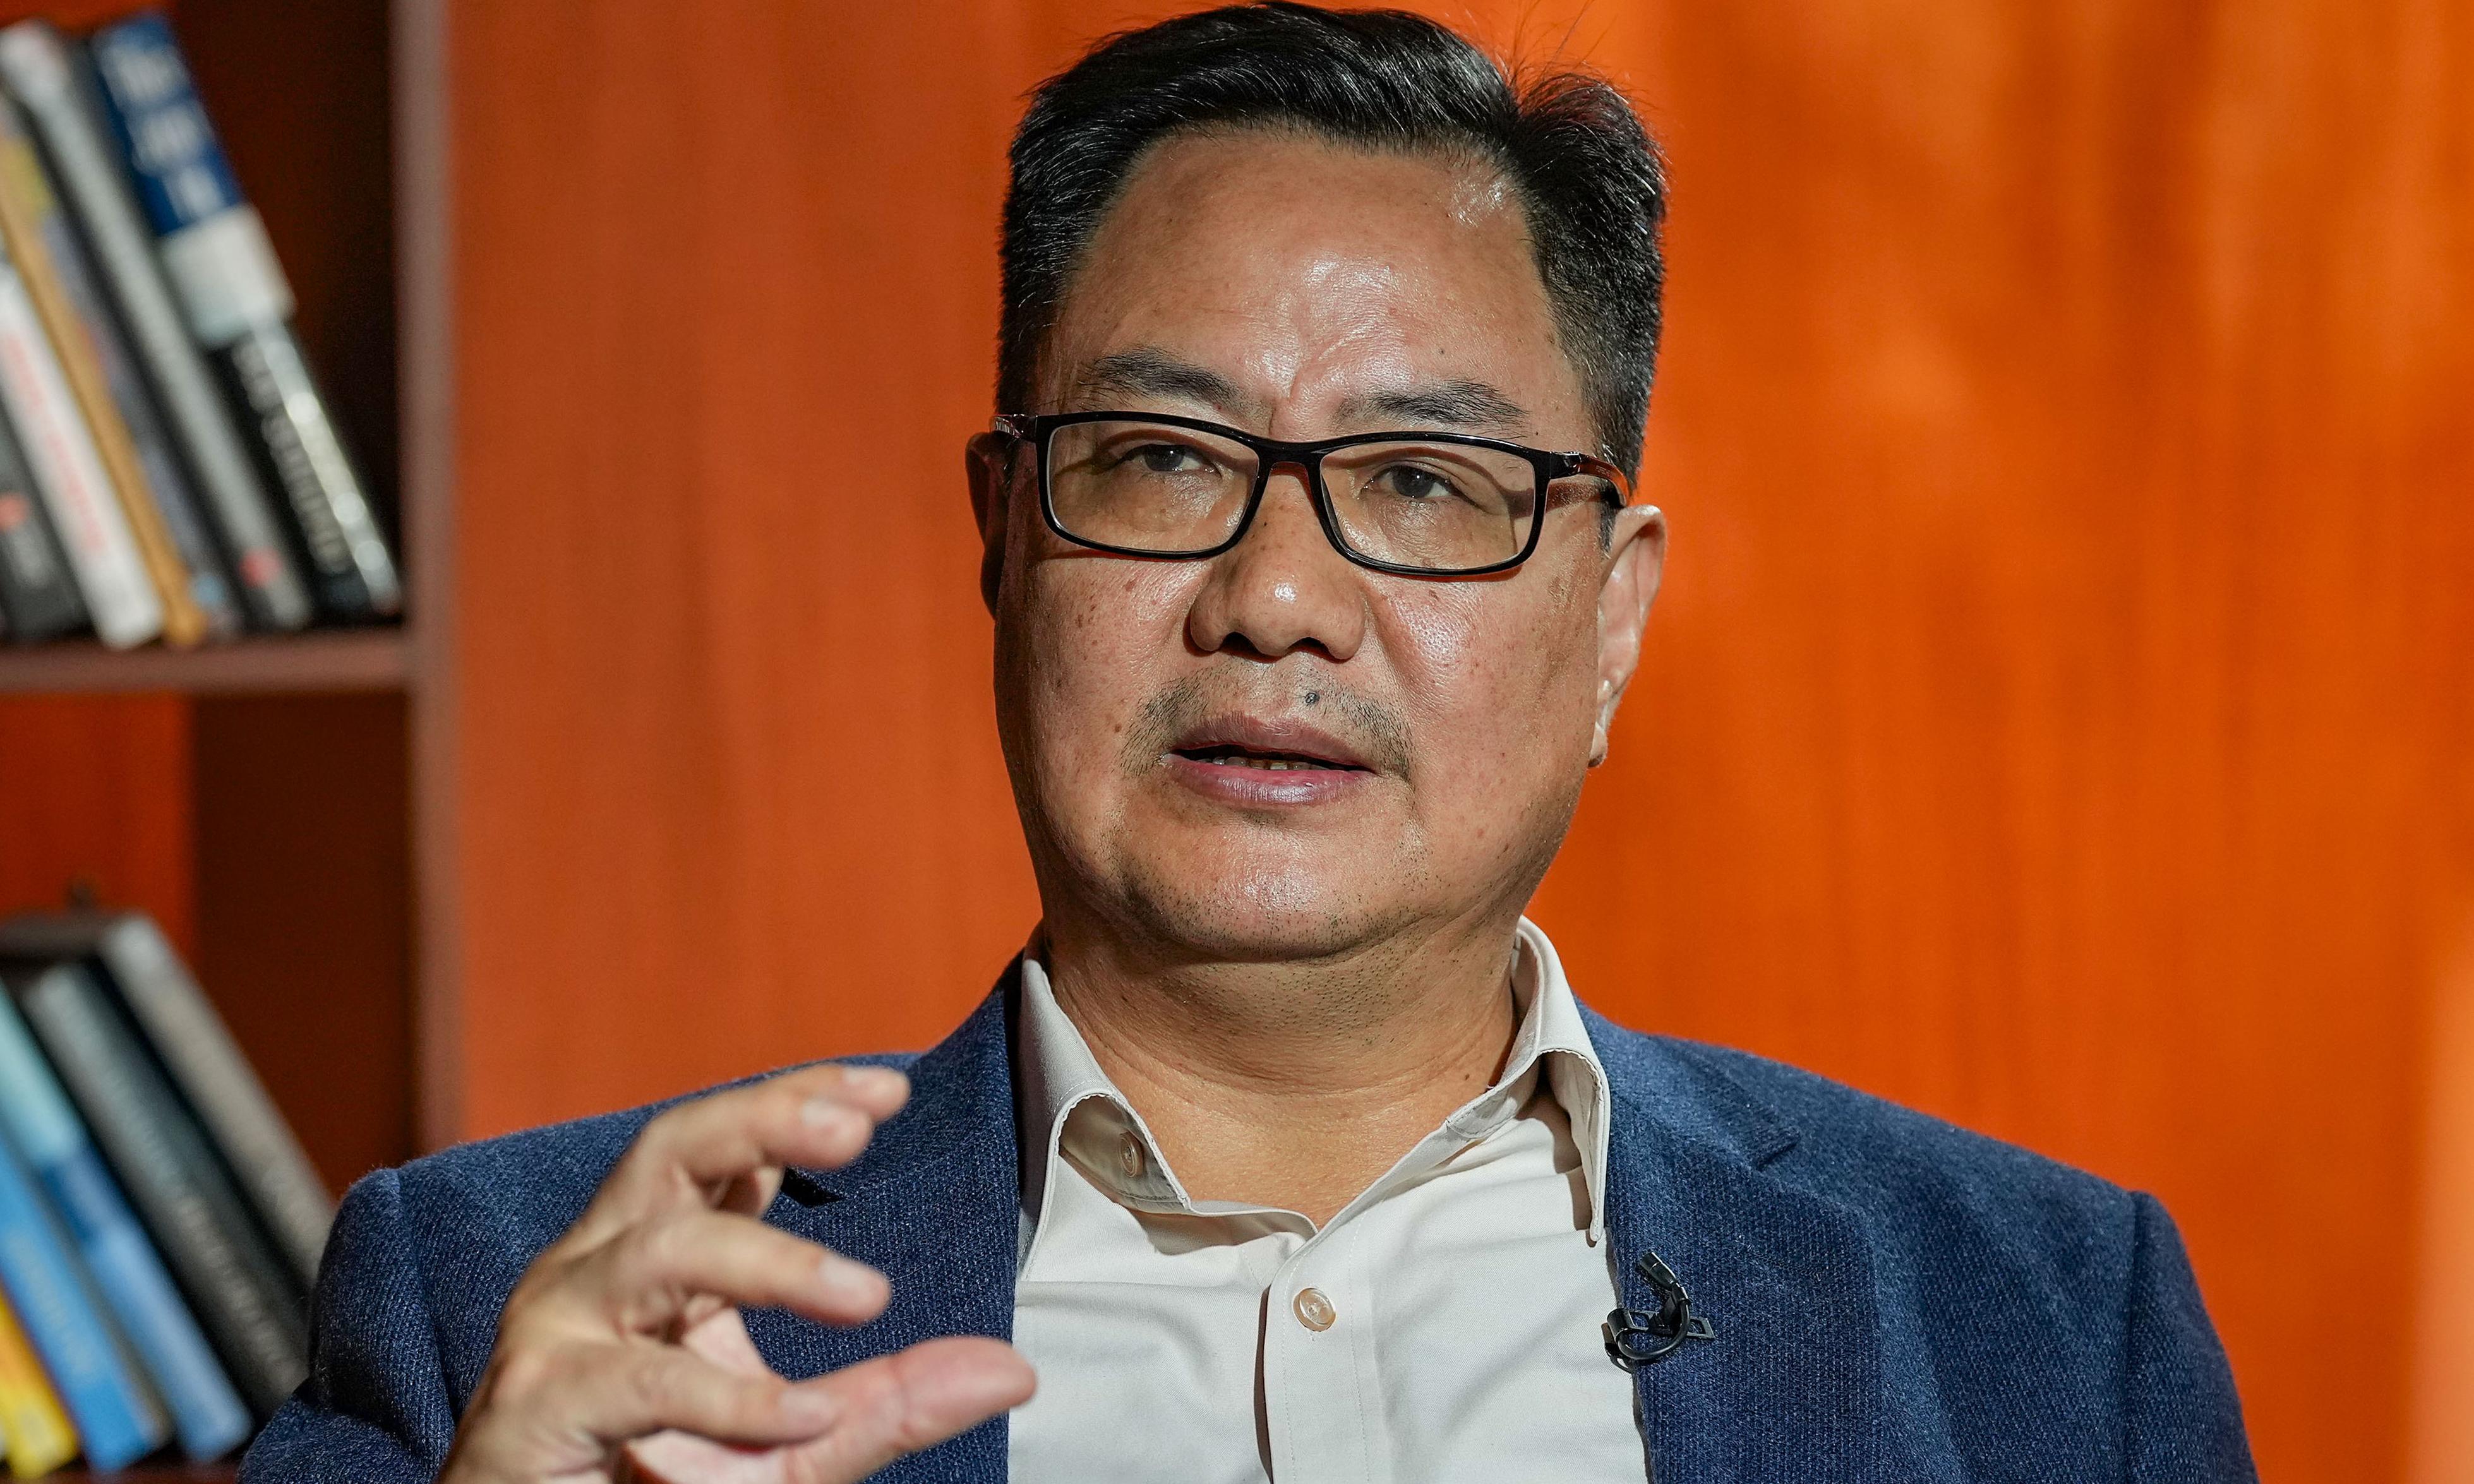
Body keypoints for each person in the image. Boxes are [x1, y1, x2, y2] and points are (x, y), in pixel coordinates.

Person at [244, 5, 2256, 1481]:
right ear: (1004, 538)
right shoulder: (505, 1310)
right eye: (1159, 457)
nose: (1276, 597)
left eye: (1426, 483)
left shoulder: (2043, 1329)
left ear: (1613, 613)